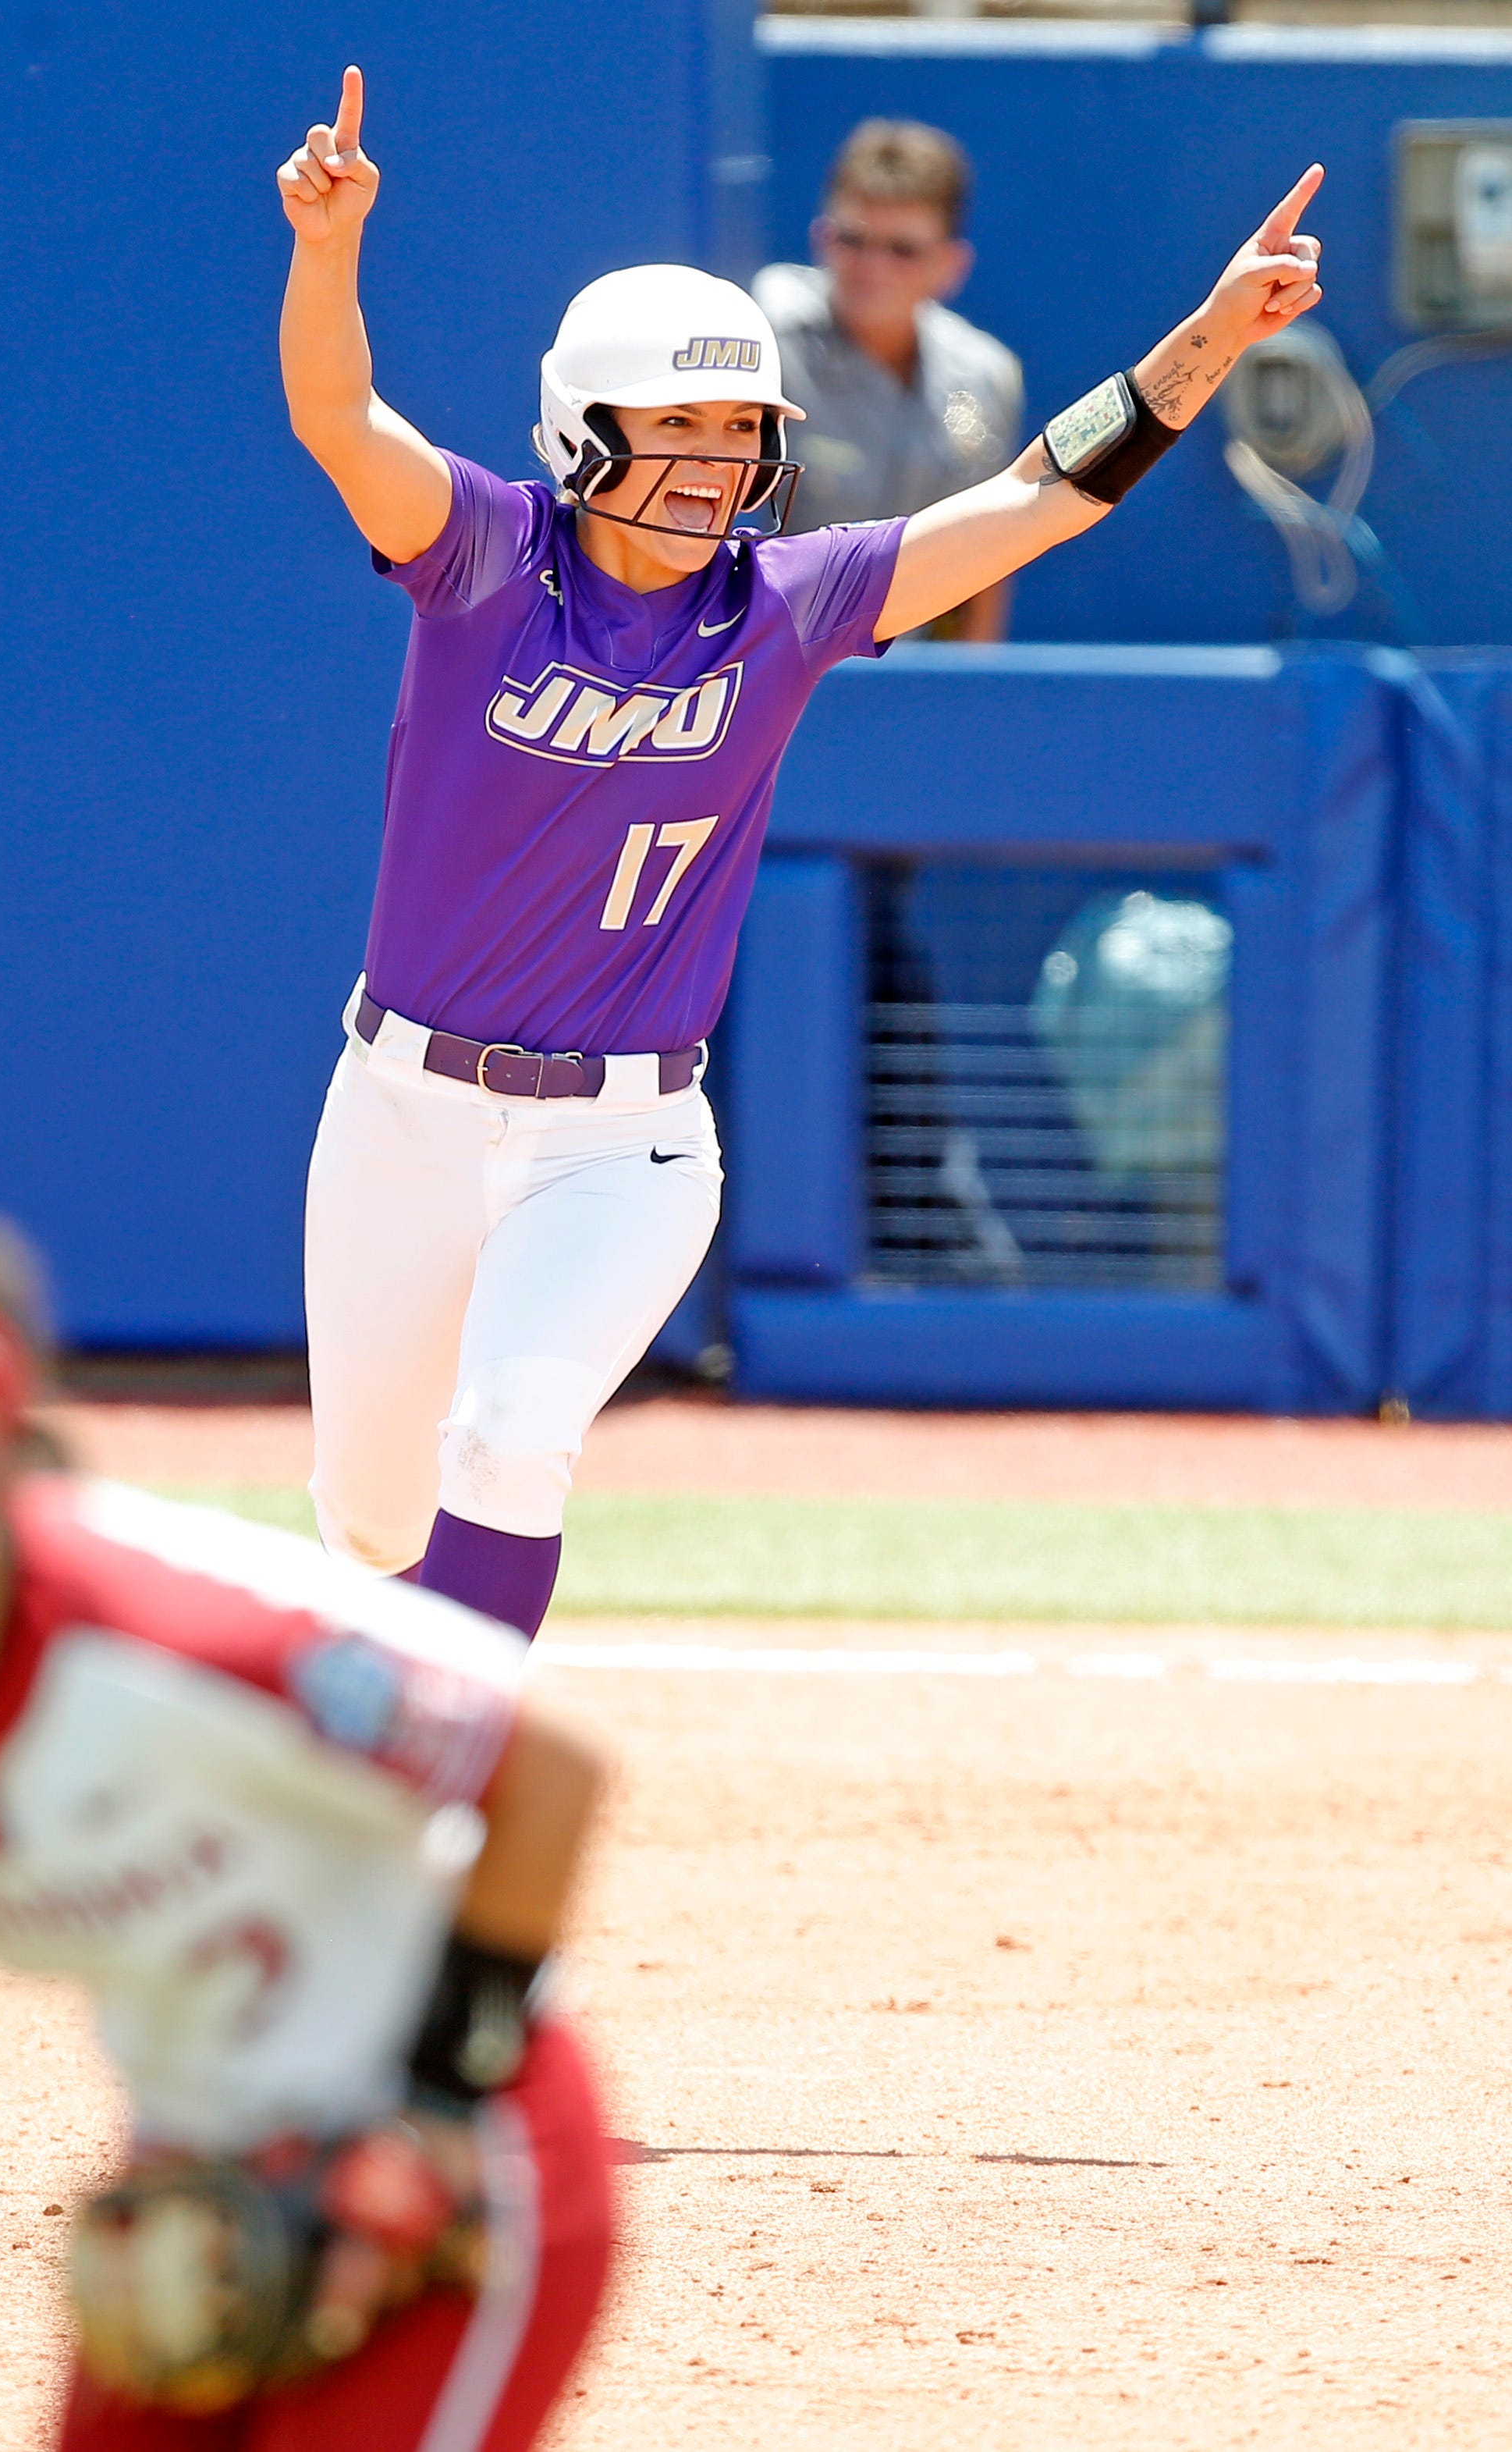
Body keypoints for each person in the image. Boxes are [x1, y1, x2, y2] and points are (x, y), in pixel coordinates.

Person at [280, 66, 1323, 1642]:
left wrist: (1207, 341)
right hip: (402, 1108)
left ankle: (449, 1794)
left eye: (739, 423)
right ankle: (381, 1697)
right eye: (675, 421)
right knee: (368, 1512)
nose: (714, 454)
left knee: (507, 1437)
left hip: (619, 1142)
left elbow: (1040, 492)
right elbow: (336, 417)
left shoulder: (791, 598)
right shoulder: (489, 553)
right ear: (583, 431)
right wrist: (328, 247)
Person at [0, 1189, 612, 2451]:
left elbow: (547, 1764)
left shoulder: (174, 1628)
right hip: (201, 2188)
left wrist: (437, 2114)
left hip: (473, 2161)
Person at [752, 119, 1024, 642]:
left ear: (951, 264)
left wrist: (966, 693)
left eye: (902, 249)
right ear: (821, 237)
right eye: (852, 239)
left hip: (908, 686)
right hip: (764, 667)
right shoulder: (761, 341)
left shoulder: (987, 375)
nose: (872, 267)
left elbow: (989, 558)